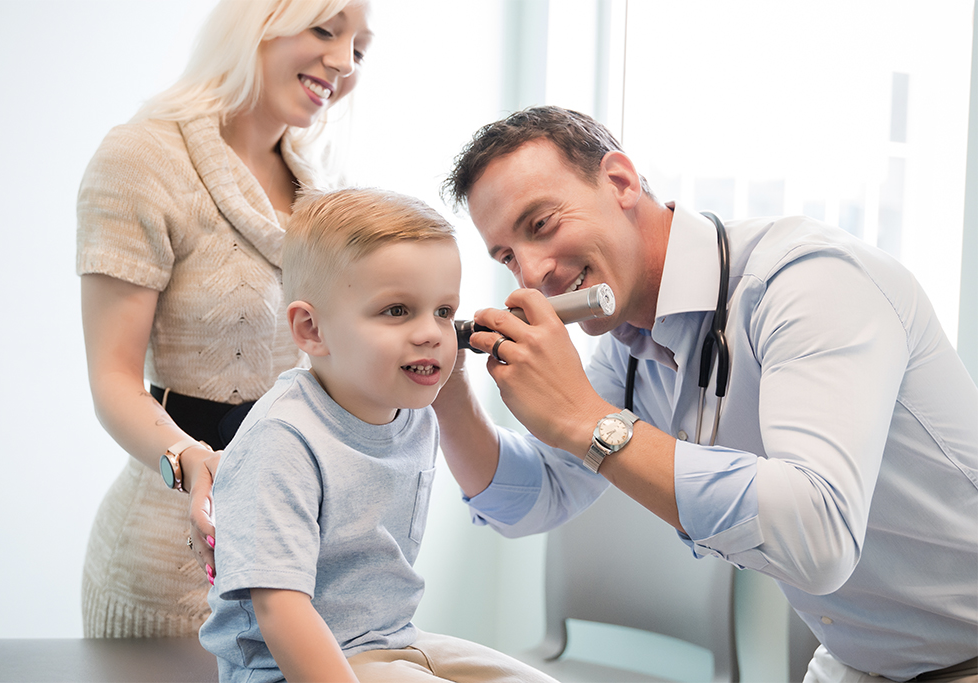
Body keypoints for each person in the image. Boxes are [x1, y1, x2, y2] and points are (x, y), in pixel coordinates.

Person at [432, 106, 978, 683]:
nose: (534, 273)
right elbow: (537, 497)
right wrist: (447, 391)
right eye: (508, 256)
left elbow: (819, 536)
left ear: (619, 181)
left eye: (541, 224)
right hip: (859, 663)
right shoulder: (631, 341)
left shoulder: (810, 284)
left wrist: (586, 420)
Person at [76, 0, 372, 637]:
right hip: (165, 557)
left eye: (359, 48)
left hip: (292, 551)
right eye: (326, 29)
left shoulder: (326, 190)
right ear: (256, 23)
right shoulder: (142, 160)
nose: (344, 61)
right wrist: (189, 461)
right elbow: (113, 383)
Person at [198, 187, 559, 683]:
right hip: (286, 668)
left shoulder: (414, 416)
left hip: (391, 640)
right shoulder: (282, 439)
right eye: (397, 311)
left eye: (442, 310)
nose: (432, 333)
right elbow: (282, 612)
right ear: (311, 330)